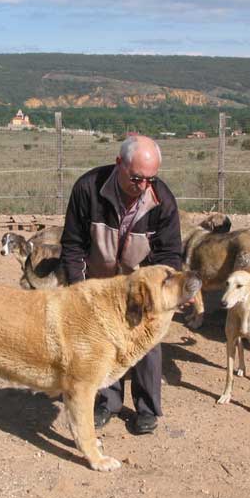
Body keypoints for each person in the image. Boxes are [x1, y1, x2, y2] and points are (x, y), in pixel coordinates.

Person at [60, 135, 182, 435]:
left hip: (141, 283)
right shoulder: (88, 189)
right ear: (119, 164)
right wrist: (78, 290)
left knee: (146, 343)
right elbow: (73, 245)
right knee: (101, 344)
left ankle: (147, 409)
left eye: (150, 179)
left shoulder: (162, 199)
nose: (143, 185)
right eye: (137, 177)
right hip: (98, 284)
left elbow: (170, 253)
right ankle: (107, 401)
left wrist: (164, 291)